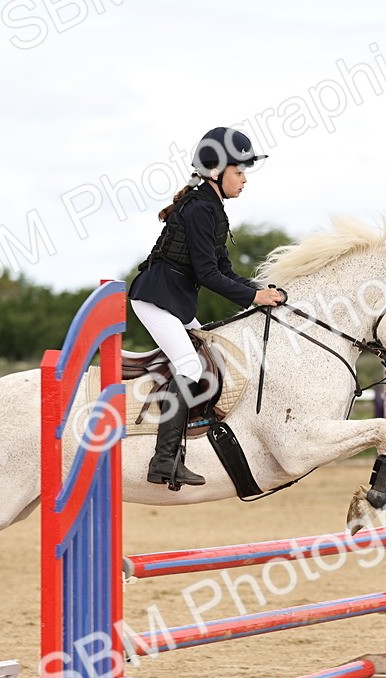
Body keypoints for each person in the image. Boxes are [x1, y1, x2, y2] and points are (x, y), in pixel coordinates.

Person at [128, 127, 284, 489]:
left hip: (174, 301)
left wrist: (262, 290)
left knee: (213, 356)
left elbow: (224, 271)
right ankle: (164, 460)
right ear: (216, 172)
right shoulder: (199, 209)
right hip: (155, 299)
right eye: (239, 172)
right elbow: (208, 275)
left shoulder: (213, 208)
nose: (244, 180)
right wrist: (253, 299)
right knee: (189, 365)